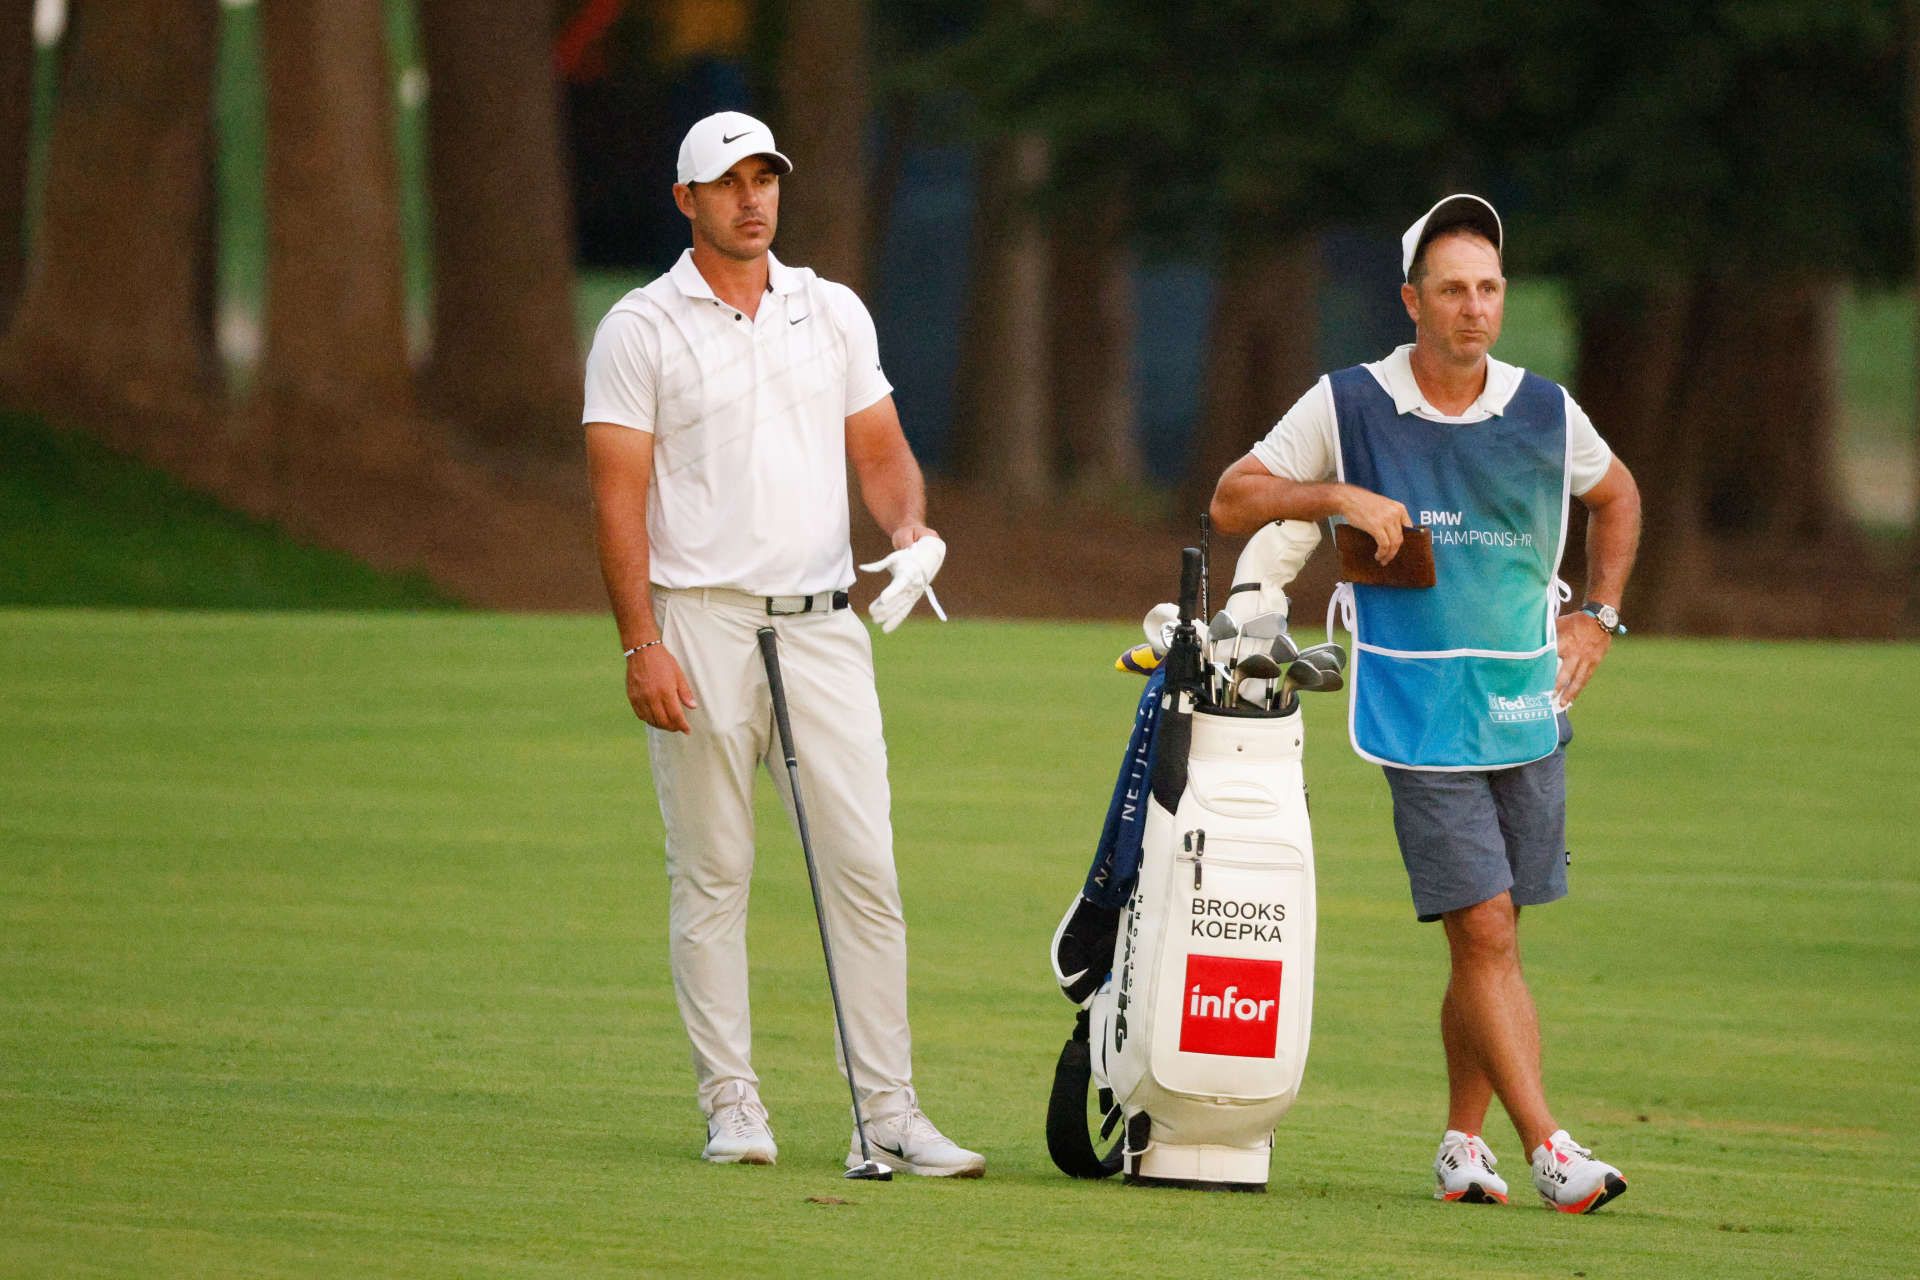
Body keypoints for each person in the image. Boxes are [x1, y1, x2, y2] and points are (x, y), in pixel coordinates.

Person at [1209, 194, 1643, 1213]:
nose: (1475, 308)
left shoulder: (1545, 407)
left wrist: (1601, 619)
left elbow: (1616, 495)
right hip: (1414, 702)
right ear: (1412, 299)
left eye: (1489, 288)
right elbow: (1234, 495)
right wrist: (1335, 496)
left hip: (1525, 698)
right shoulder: (1349, 401)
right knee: (1484, 927)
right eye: (1452, 289)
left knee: (1491, 936)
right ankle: (1550, 1148)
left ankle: (1460, 1141)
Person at [582, 110, 983, 1178]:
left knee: (864, 867)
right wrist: (639, 644)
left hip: (821, 626)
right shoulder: (639, 326)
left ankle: (888, 1111)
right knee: (714, 870)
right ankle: (733, 1102)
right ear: (687, 200)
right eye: (728, 182)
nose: (752, 197)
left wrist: (908, 530)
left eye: (765, 178)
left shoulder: (832, 310)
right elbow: (616, 500)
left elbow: (883, 451)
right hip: (699, 620)